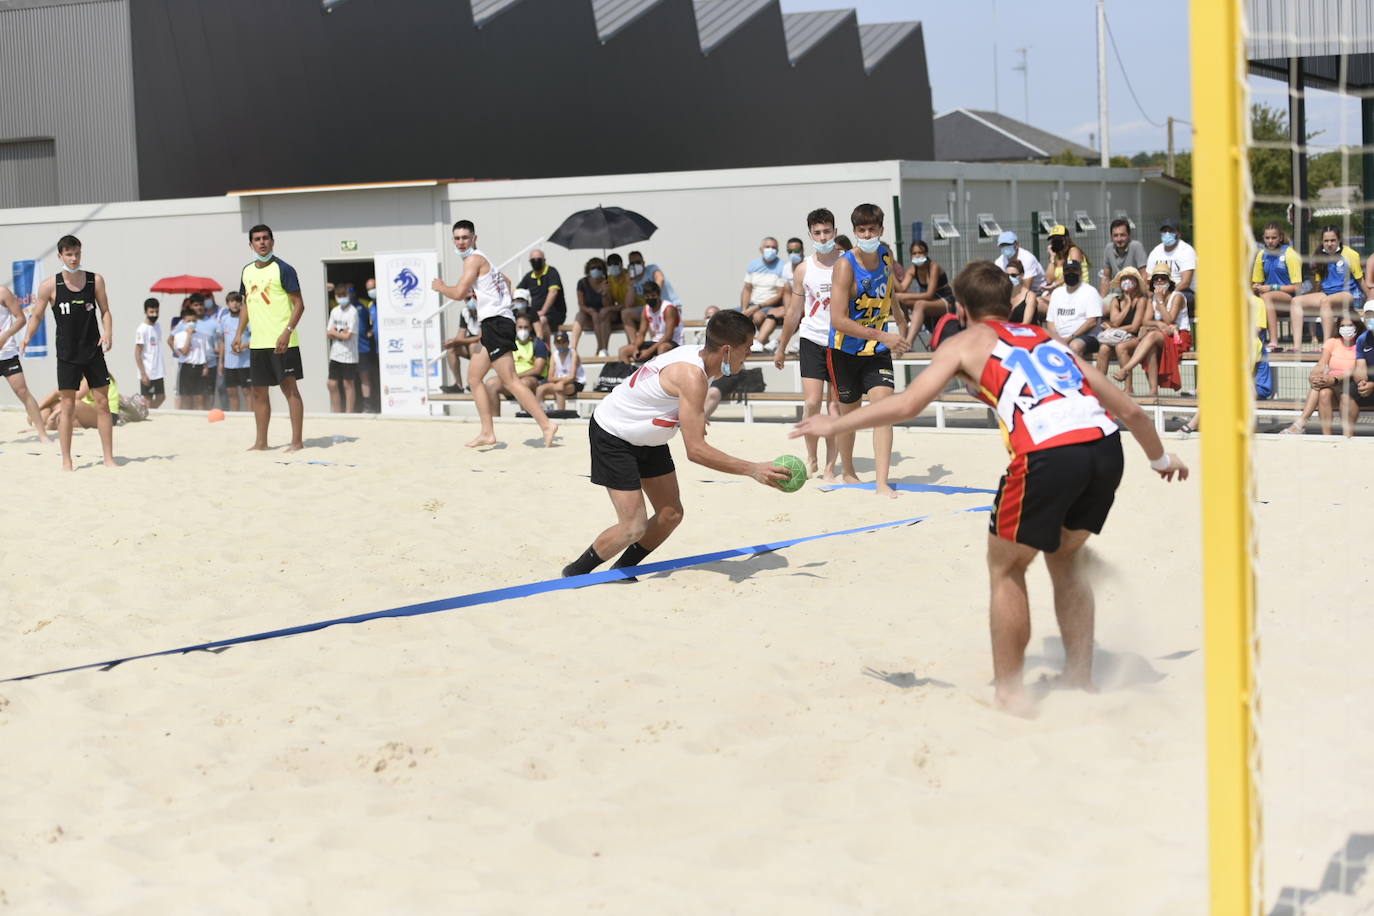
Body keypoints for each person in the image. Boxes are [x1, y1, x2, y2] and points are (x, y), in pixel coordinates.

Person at [793, 260, 1189, 715]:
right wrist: (1160, 459)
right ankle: (1080, 679)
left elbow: (908, 403)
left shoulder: (964, 342)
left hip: (1047, 451)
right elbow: (1132, 412)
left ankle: (1011, 694)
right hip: (1105, 448)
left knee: (1007, 569)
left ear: (961, 308)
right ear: (1012, 303)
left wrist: (834, 422)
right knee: (1065, 558)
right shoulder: (1048, 340)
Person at [561, 309, 788, 582]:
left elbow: (668, 397)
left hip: (650, 437)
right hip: (614, 434)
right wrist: (753, 469)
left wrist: (690, 418)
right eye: (747, 347)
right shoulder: (691, 376)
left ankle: (622, 571)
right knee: (633, 527)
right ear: (727, 350)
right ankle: (574, 573)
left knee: (671, 514)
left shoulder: (706, 360)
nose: (750, 353)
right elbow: (696, 451)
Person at [432, 219, 559, 448]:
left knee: (510, 381)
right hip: (494, 324)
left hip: (497, 324)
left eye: (465, 237)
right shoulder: (484, 260)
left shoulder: (473, 259)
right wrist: (495, 302)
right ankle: (487, 432)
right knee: (474, 378)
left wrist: (440, 286)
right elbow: (507, 282)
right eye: (457, 238)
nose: (461, 242)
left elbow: (460, 293)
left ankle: (546, 424)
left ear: (474, 238)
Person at [827, 203, 909, 498]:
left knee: (883, 412)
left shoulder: (886, 255)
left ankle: (882, 483)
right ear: (855, 232)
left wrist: (898, 316)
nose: (867, 234)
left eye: (872, 229)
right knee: (850, 415)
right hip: (845, 350)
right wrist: (882, 335)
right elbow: (837, 320)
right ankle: (847, 470)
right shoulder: (845, 265)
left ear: (881, 230)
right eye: (861, 230)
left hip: (876, 349)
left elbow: (888, 288)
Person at [22, 234, 115, 470]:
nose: (74, 258)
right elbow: (37, 316)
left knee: (103, 404)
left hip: (93, 351)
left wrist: (108, 332)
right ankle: (67, 460)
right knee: (67, 405)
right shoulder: (49, 285)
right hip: (67, 355)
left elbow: (105, 310)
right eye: (69, 254)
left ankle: (108, 458)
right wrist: (27, 338)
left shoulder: (96, 280)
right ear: (60, 255)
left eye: (77, 253)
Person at [773, 207, 843, 480]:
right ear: (811, 234)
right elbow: (793, 311)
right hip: (812, 339)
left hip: (840, 341)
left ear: (835, 232)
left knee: (835, 406)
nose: (823, 236)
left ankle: (830, 464)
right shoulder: (804, 268)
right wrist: (781, 346)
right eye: (817, 232)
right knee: (812, 402)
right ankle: (811, 456)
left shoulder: (847, 262)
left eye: (827, 231)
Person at [232, 224, 305, 452]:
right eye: (257, 239)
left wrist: (287, 332)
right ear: (251, 244)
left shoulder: (284, 269)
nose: (262, 242)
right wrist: (238, 333)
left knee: (289, 389)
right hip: (258, 343)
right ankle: (261, 443)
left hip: (283, 342)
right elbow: (246, 304)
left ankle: (297, 442)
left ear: (272, 241)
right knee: (258, 392)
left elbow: (299, 304)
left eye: (265, 238)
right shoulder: (247, 271)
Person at [1112, 263, 1192, 396]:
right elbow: (1146, 321)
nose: (1159, 281)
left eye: (1162, 278)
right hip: (1161, 334)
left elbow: (1169, 320)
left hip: (1179, 337)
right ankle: (1153, 390)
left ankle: (1126, 369)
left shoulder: (1176, 296)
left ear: (1169, 281)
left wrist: (1160, 302)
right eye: (1156, 278)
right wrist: (1158, 324)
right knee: (1146, 345)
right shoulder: (1152, 298)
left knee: (1152, 336)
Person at [1282, 310, 1363, 436]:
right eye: (1342, 326)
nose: (1346, 329)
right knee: (1323, 392)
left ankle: (1301, 423)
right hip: (1331, 384)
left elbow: (1357, 370)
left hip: (1350, 386)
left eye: (1349, 325)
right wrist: (1314, 375)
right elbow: (1322, 363)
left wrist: (1335, 378)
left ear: (1357, 326)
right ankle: (1326, 436)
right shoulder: (1332, 342)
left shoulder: (1361, 343)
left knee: (1325, 387)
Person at [1291, 225, 1364, 352]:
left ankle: (1326, 345)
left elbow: (1360, 280)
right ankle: (1297, 346)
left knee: (1326, 301)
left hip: (1348, 295)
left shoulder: (1351, 254)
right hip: (1327, 295)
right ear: (1322, 241)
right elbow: (1319, 284)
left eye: (1333, 240)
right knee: (1295, 301)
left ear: (1339, 240)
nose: (1329, 244)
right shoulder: (1319, 256)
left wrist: (1370, 300)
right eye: (1326, 241)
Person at [0, 282, 52, 441]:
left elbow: (21, 319)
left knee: (22, 392)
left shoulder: (3, 292)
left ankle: (42, 433)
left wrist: (5, 335)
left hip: (7, 353)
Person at [1251, 222, 1303, 352]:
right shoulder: (1261, 255)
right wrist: (1256, 288)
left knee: (1266, 297)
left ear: (1280, 237)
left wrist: (1272, 287)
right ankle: (1252, 341)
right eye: (1267, 238)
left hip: (1290, 300)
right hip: (1267, 301)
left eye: (1273, 238)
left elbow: (1297, 287)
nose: (1270, 241)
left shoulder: (1290, 254)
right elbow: (1256, 283)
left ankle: (1274, 342)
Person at [483, 312, 547, 414]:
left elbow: (538, 369)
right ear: (515, 328)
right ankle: (495, 421)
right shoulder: (509, 343)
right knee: (491, 383)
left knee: (523, 383)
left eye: (525, 327)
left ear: (530, 328)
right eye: (520, 327)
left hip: (532, 381)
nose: (523, 330)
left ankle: (526, 416)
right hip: (512, 379)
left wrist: (516, 376)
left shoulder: (538, 344)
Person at [895, 238, 954, 345]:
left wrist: (903, 296)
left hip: (944, 300)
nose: (917, 255)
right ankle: (903, 335)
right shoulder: (913, 269)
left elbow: (929, 294)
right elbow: (901, 288)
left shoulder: (933, 267)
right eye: (914, 253)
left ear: (926, 253)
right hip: (930, 302)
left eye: (920, 252)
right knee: (902, 300)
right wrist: (889, 272)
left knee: (919, 304)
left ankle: (908, 342)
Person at [1094, 268, 1148, 379]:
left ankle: (1128, 387)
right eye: (1124, 279)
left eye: (1130, 278)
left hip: (1135, 338)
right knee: (1104, 348)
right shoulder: (1116, 300)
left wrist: (1113, 329)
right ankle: (1099, 384)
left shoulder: (1141, 300)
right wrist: (1127, 305)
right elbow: (1115, 321)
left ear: (1136, 282)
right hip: (1117, 337)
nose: (1127, 281)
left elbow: (1134, 327)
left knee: (1120, 347)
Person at [1045, 259, 1103, 358]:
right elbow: (1050, 322)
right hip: (1060, 337)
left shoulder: (1090, 291)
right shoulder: (1056, 293)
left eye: (1074, 270)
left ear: (1080, 272)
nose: (1070, 273)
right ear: (1063, 273)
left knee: (1075, 346)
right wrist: (1057, 339)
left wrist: (1070, 338)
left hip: (1087, 337)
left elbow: (1092, 322)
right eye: (1067, 271)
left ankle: (1077, 374)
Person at [741, 236, 789, 352]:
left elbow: (779, 295)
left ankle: (758, 342)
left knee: (757, 317)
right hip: (752, 304)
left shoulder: (782, 267)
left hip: (770, 306)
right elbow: (747, 289)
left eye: (773, 247)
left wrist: (757, 307)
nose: (770, 250)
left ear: (777, 250)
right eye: (767, 247)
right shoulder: (753, 265)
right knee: (729, 316)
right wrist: (745, 309)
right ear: (761, 249)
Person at [616, 280, 681, 363]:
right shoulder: (646, 310)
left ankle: (661, 374)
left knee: (662, 348)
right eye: (647, 296)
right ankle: (629, 374)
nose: (650, 298)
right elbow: (641, 334)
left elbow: (668, 336)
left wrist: (649, 351)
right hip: (655, 342)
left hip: (673, 342)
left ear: (659, 295)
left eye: (653, 295)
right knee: (623, 351)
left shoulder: (668, 309)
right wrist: (636, 348)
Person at [1145, 220, 1198, 320]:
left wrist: (1166, 294)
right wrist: (1152, 293)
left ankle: (1169, 324)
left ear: (1178, 233)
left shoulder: (1186, 250)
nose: (1167, 234)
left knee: (1174, 299)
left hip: (1183, 292)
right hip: (1159, 291)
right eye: (1164, 231)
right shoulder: (1156, 251)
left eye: (1171, 231)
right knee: (1143, 300)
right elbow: (1148, 279)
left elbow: (1185, 282)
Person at [518, 249, 564, 343]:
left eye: (538, 259)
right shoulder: (529, 276)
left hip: (554, 313)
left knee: (541, 321)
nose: (536, 262)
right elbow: (517, 292)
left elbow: (553, 292)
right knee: (522, 322)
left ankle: (544, 351)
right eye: (533, 260)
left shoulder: (552, 272)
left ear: (544, 260)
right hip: (536, 314)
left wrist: (543, 311)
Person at [326, 287, 360, 413]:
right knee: (331, 384)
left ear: (348, 295)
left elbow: (348, 336)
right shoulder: (334, 311)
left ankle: (349, 413)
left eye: (343, 295)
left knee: (348, 384)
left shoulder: (353, 312)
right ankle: (337, 412)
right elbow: (328, 333)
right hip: (335, 353)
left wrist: (336, 332)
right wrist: (339, 333)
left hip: (349, 354)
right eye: (338, 295)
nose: (341, 297)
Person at [171, 303, 209, 410]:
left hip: (199, 367)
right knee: (187, 398)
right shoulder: (179, 336)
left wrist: (206, 367)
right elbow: (185, 351)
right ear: (183, 321)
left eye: (194, 321)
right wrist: (189, 335)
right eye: (189, 321)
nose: (191, 323)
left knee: (200, 397)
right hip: (186, 367)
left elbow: (204, 353)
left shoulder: (202, 336)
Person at [1097, 218, 1148, 297]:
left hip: (1135, 292)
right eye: (1116, 235)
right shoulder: (1108, 248)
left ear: (1129, 235)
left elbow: (1144, 274)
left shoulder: (1136, 246)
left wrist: (1143, 294)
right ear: (1111, 237)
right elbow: (1106, 277)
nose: (1119, 239)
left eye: (1122, 235)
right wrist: (1102, 300)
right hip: (1116, 293)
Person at [537, 329, 585, 410]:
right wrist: (561, 381)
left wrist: (561, 381)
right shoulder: (554, 355)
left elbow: (572, 377)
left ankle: (561, 414)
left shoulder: (573, 354)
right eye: (558, 342)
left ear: (568, 343)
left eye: (563, 342)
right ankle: (541, 413)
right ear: (555, 344)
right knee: (540, 389)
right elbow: (550, 378)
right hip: (560, 383)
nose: (561, 345)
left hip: (576, 383)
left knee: (559, 388)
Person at [573, 257, 612, 357]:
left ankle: (602, 348)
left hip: (603, 316)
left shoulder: (606, 282)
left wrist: (604, 292)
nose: (596, 270)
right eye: (593, 267)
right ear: (588, 269)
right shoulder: (582, 283)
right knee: (580, 316)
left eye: (599, 267)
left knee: (602, 315)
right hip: (588, 314)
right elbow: (581, 305)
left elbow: (608, 305)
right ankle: (573, 349)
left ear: (603, 269)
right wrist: (590, 311)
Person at [218, 292, 251, 411]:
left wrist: (243, 346)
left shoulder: (247, 319)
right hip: (229, 364)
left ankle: (250, 417)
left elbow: (257, 338)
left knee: (247, 392)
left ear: (242, 304)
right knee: (232, 392)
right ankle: (234, 417)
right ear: (227, 304)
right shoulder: (224, 319)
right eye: (232, 301)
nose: (235, 304)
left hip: (246, 362)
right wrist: (221, 363)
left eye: (238, 301)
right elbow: (222, 341)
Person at [441, 301, 481, 394]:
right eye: (467, 298)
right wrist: (452, 342)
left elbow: (481, 337)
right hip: (474, 343)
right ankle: (458, 385)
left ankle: (474, 382)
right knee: (451, 349)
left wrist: (455, 340)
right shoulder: (465, 312)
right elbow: (460, 336)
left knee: (473, 346)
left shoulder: (485, 309)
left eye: (472, 297)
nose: (470, 301)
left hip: (488, 345)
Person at [994, 230, 1047, 301]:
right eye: (1002, 245)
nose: (1005, 248)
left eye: (1008, 245)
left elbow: (1026, 288)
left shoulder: (1028, 258)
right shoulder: (999, 262)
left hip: (1038, 291)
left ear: (1017, 244)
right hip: (1014, 292)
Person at [1039, 225, 1090, 298]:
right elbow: (1049, 280)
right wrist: (1052, 259)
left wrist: (1053, 285)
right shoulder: (1056, 257)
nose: (1055, 243)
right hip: (1062, 293)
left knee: (1039, 301)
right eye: (1053, 240)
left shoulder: (1073, 251)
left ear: (1066, 240)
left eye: (1058, 240)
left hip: (1078, 291)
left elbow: (1071, 273)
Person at [197, 293, 226, 410]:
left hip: (212, 362)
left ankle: (209, 411)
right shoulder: (191, 323)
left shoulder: (215, 323)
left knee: (211, 391)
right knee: (198, 393)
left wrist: (220, 361)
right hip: (196, 363)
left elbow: (221, 340)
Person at [356, 279, 378, 412]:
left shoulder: (386, 302)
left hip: (385, 349)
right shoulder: (370, 305)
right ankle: (370, 406)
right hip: (372, 348)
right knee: (367, 377)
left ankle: (377, 404)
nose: (371, 291)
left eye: (373, 287)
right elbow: (371, 324)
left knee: (374, 377)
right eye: (369, 288)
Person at [1351, 302, 1374, 427]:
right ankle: (1349, 436)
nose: (1371, 320)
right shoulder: (1362, 339)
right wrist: (1362, 382)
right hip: (1370, 385)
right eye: (1369, 316)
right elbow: (1360, 367)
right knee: (1348, 393)